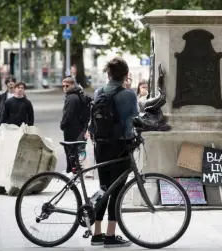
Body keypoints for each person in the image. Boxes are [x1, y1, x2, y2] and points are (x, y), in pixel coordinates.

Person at [90, 57, 138, 247]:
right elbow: (134, 120)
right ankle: (110, 236)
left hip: (100, 146)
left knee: (104, 188)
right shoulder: (128, 95)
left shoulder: (98, 92)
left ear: (108, 74)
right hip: (120, 146)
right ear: (126, 75)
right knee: (117, 191)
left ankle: (97, 233)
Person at [60, 77, 88, 173]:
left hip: (71, 128)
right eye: (63, 86)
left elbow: (68, 114)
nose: (64, 88)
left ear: (72, 85)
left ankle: (71, 170)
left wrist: (62, 125)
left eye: (67, 86)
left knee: (70, 150)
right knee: (74, 150)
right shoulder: (77, 94)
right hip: (78, 127)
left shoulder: (71, 97)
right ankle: (74, 169)